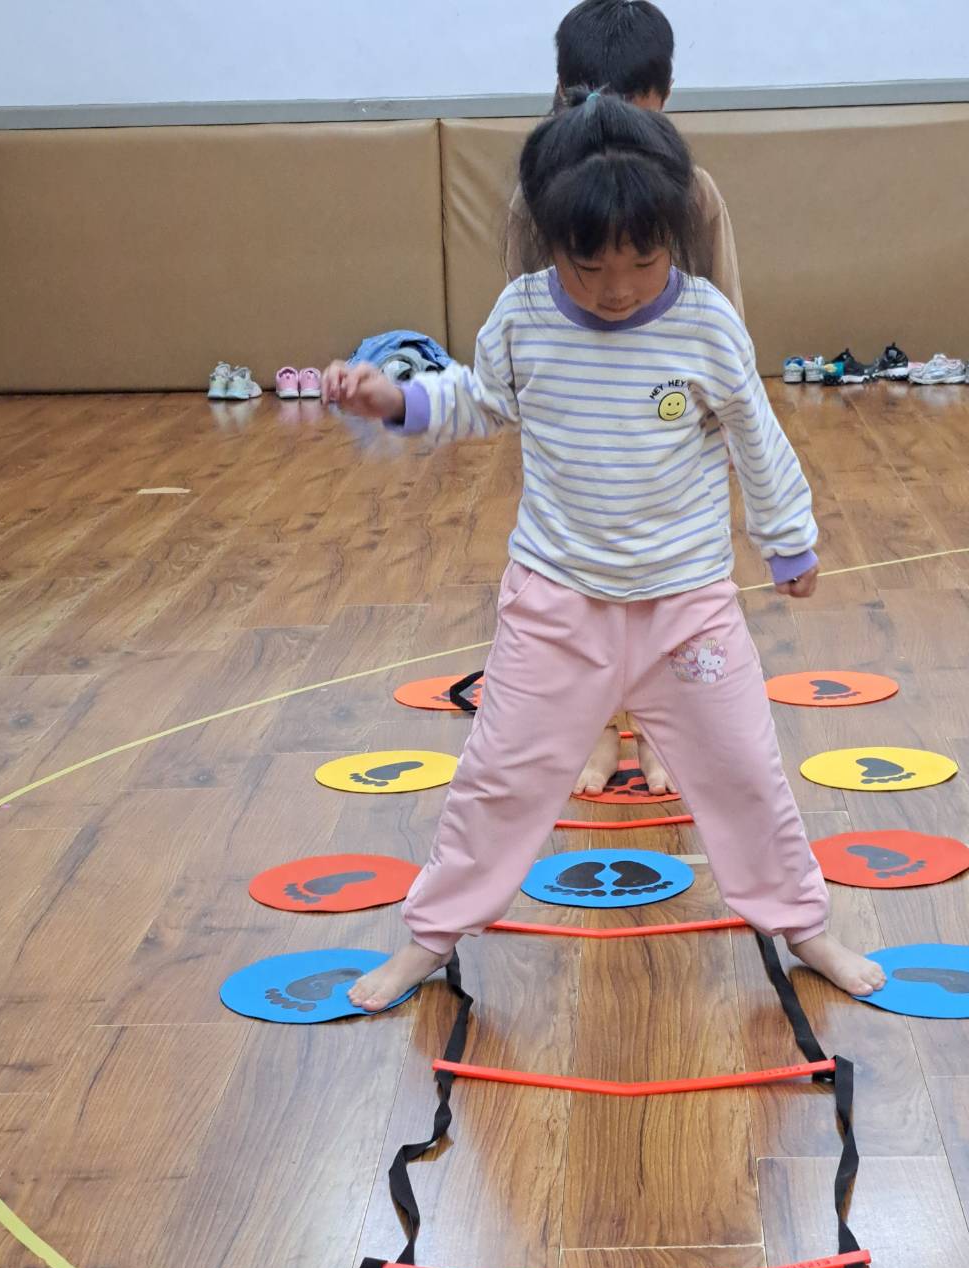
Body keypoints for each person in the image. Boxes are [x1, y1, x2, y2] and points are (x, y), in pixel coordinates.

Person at [323, 91, 885, 1012]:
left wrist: (788, 539)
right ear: (551, 243)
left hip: (688, 610)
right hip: (556, 605)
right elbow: (478, 399)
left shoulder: (704, 321)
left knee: (746, 773)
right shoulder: (523, 316)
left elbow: (756, 433)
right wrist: (397, 399)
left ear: (674, 239)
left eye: (643, 259)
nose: (618, 287)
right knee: (497, 780)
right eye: (589, 265)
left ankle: (802, 923)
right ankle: (429, 938)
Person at [506, 0, 745, 798]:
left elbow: (726, 319)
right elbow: (523, 317)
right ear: (563, 94)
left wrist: (720, 418)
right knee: (581, 592)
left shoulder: (694, 195)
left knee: (677, 597)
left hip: (670, 431)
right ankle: (600, 729)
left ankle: (671, 727)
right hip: (579, 431)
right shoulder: (537, 197)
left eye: (636, 115)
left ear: (664, 100)